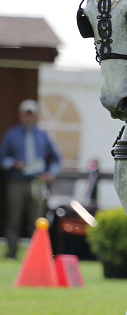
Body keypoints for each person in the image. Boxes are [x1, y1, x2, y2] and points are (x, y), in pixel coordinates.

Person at [1, 99, 61, 258]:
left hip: (37, 182)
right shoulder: (11, 134)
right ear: (20, 115)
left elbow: (56, 158)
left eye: (31, 114)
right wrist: (14, 164)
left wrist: (51, 173)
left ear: (35, 116)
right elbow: (2, 159)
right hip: (16, 182)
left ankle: (36, 254)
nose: (28, 117)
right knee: (13, 218)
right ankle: (11, 252)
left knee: (37, 220)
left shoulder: (43, 135)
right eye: (25, 114)